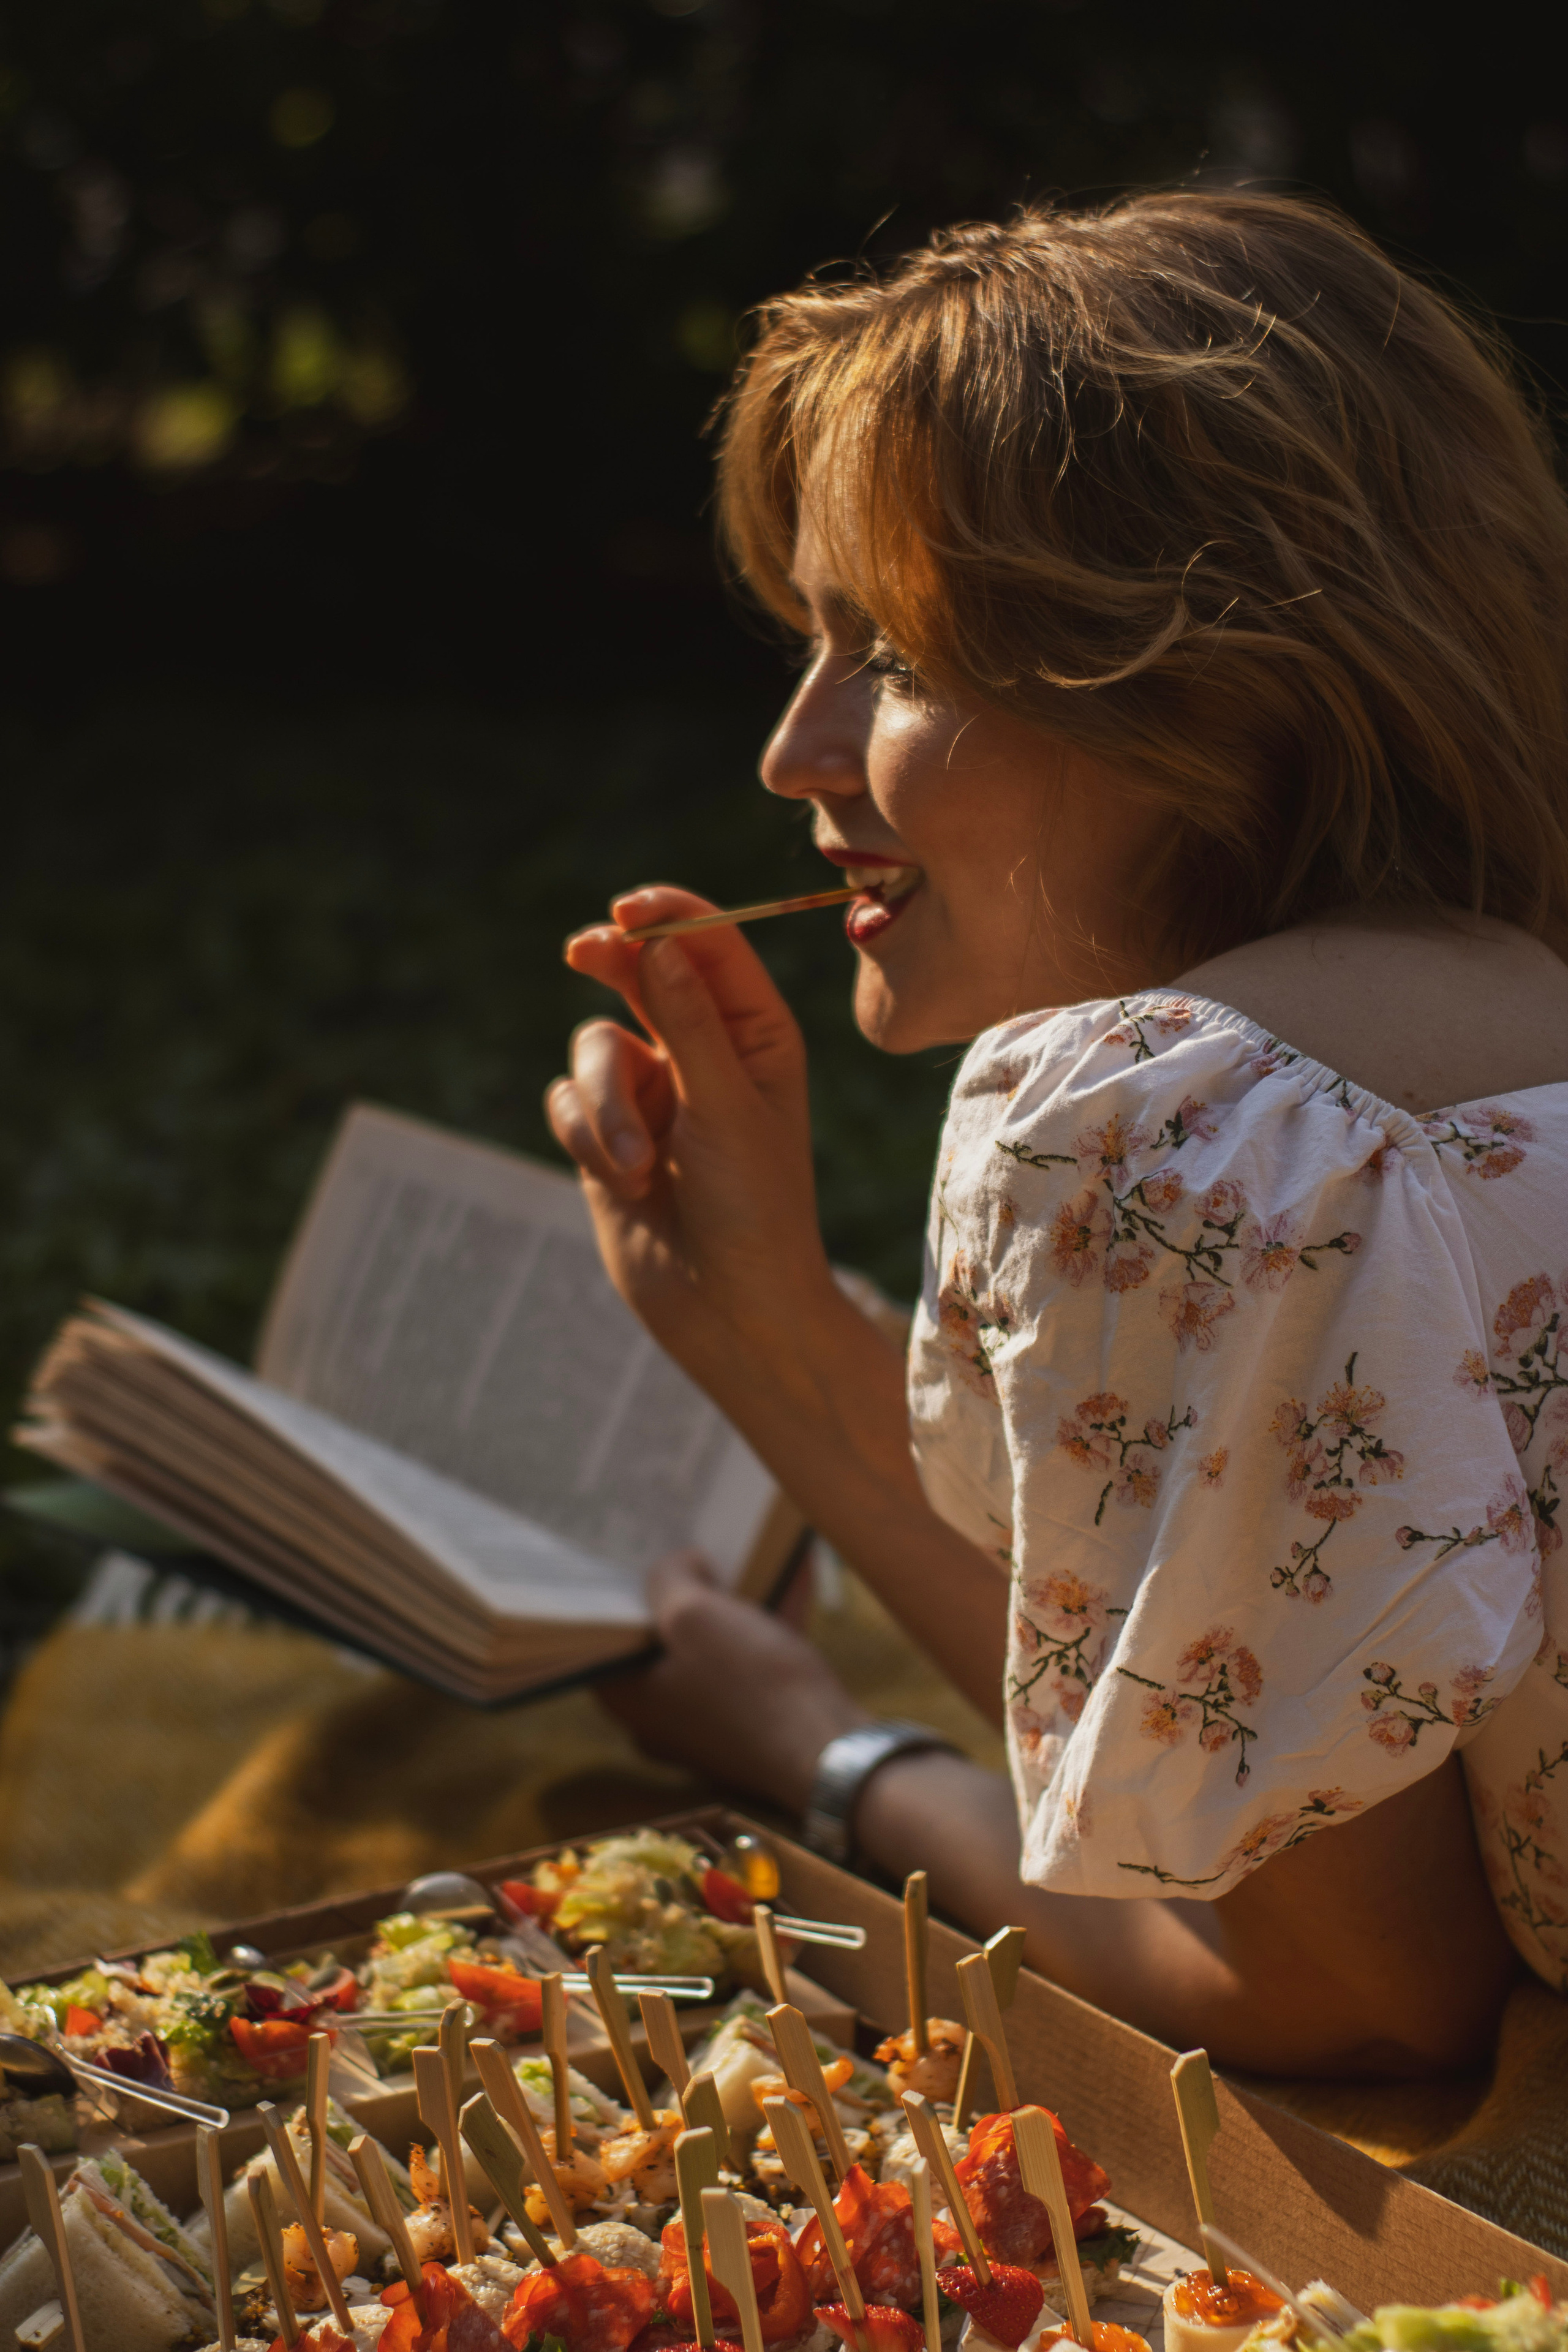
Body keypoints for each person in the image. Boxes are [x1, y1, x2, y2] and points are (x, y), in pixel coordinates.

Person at [546, 190, 1568, 2080]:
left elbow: (1355, 2004)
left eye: (900, 658)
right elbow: (1227, 1694)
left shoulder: (1201, 1129)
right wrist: (767, 1334)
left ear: (1218, 689)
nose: (794, 752)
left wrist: (820, 1757)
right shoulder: (1444, 1062)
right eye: (810, 639)